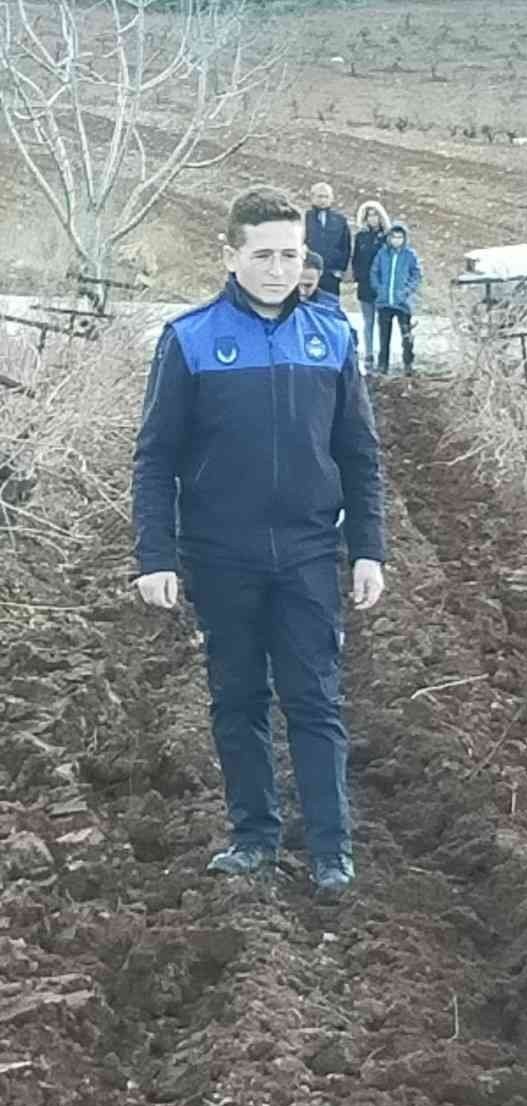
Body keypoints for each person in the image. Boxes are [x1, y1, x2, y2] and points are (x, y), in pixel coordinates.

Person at [131, 186, 386, 896]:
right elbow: (155, 456)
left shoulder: (332, 337)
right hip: (221, 555)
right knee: (237, 697)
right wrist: (155, 554)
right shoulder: (190, 340)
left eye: (292, 255)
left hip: (308, 553)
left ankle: (331, 851)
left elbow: (360, 454)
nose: (280, 269)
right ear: (232, 255)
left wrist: (368, 547)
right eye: (264, 255)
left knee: (315, 700)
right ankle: (254, 838)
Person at [369, 222, 422, 377]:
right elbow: (374, 271)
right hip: (384, 302)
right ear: (389, 238)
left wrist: (407, 291)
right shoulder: (382, 254)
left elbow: (416, 275)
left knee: (406, 335)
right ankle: (382, 365)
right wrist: (379, 288)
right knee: (384, 336)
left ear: (404, 238)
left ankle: (408, 363)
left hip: (402, 303)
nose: (397, 240)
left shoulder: (410, 255)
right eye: (394, 237)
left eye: (400, 237)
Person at [351, 200, 390, 370]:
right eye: (369, 216)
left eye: (375, 215)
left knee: (383, 322)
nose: (372, 219)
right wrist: (358, 278)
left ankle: (383, 354)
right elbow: (356, 260)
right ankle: (368, 353)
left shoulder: (388, 237)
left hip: (383, 286)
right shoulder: (361, 237)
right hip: (365, 285)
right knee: (368, 321)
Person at [304, 181, 351, 297]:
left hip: (331, 274)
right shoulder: (304, 218)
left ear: (332, 198)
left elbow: (346, 246)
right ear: (312, 197)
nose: (323, 200)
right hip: (308, 273)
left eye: (326, 197)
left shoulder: (340, 220)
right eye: (320, 196)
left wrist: (340, 269)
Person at [299, 248, 351, 323]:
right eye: (296, 286)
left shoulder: (331, 306)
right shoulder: (278, 307)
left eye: (308, 285)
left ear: (319, 276)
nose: (302, 291)